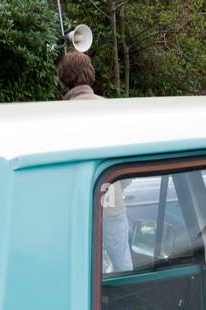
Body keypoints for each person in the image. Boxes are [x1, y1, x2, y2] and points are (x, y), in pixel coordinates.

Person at [58, 52, 133, 272]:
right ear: (90, 75)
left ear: (64, 78)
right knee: (124, 267)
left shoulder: (57, 115)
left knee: (88, 271)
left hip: (78, 209)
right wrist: (116, 187)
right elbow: (129, 161)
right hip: (112, 203)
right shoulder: (111, 110)